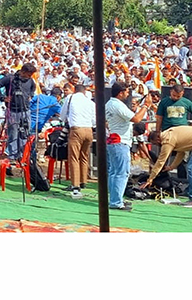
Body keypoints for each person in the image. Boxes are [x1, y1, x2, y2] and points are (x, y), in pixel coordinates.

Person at [105, 82, 152, 211]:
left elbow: (105, 122)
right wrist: (146, 106)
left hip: (113, 139)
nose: (128, 94)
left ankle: (114, 198)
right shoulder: (117, 105)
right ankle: (116, 201)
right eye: (126, 92)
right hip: (120, 141)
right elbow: (136, 119)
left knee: (114, 172)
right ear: (120, 93)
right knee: (121, 173)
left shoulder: (109, 104)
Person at [0, 63, 37, 164]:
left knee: (24, 133)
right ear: (23, 71)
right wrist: (2, 97)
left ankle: (22, 155)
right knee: (13, 134)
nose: (29, 77)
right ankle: (12, 155)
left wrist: (30, 96)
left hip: (26, 110)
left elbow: (32, 89)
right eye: (28, 74)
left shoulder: (30, 81)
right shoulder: (10, 78)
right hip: (13, 110)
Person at [60, 83, 96, 199]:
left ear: (74, 90)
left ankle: (75, 184)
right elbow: (94, 120)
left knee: (74, 157)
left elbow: (62, 115)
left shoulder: (70, 98)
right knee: (84, 156)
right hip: (89, 130)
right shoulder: (90, 102)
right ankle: (83, 181)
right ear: (85, 92)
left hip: (76, 129)